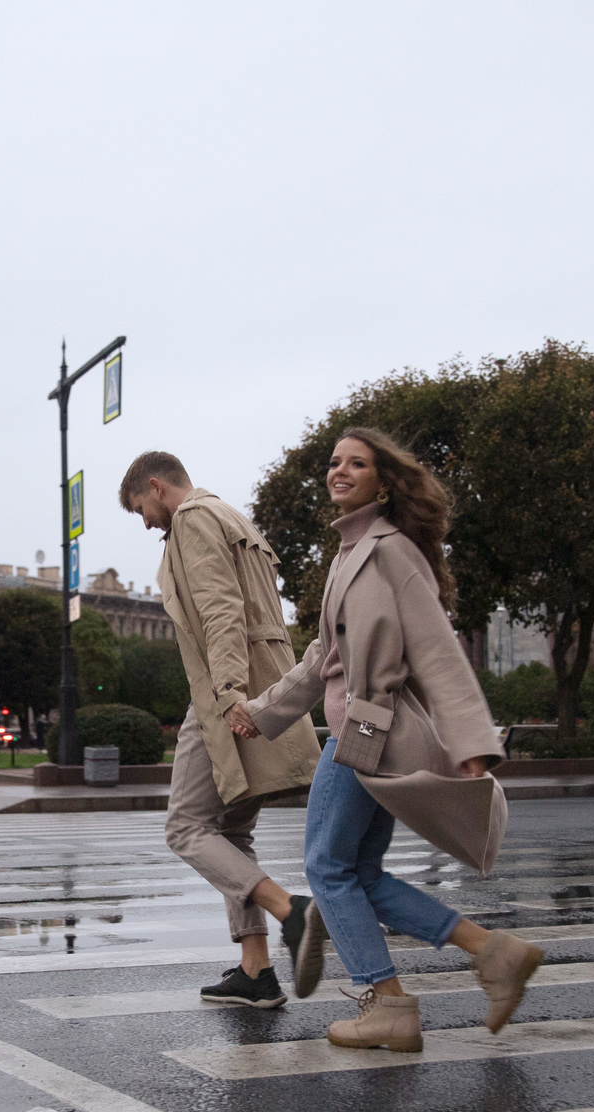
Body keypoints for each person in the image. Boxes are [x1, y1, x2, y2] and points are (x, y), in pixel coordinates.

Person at [231, 428, 543, 1050]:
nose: (340, 471)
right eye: (335, 463)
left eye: (358, 463)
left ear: (383, 479)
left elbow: (438, 650)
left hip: (367, 728)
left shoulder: (391, 551)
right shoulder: (349, 553)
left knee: (325, 866)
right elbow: (326, 655)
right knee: (359, 872)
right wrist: (262, 712)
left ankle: (388, 1002)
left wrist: (471, 742)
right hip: (361, 724)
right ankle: (493, 952)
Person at [121, 451, 320, 1007]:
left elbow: (220, 609)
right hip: (264, 677)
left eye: (141, 509)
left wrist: (229, 693)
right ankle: (255, 972)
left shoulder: (190, 519)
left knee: (185, 826)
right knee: (232, 830)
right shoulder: (232, 515)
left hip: (223, 686)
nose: (145, 523)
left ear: (157, 488)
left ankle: (292, 911)